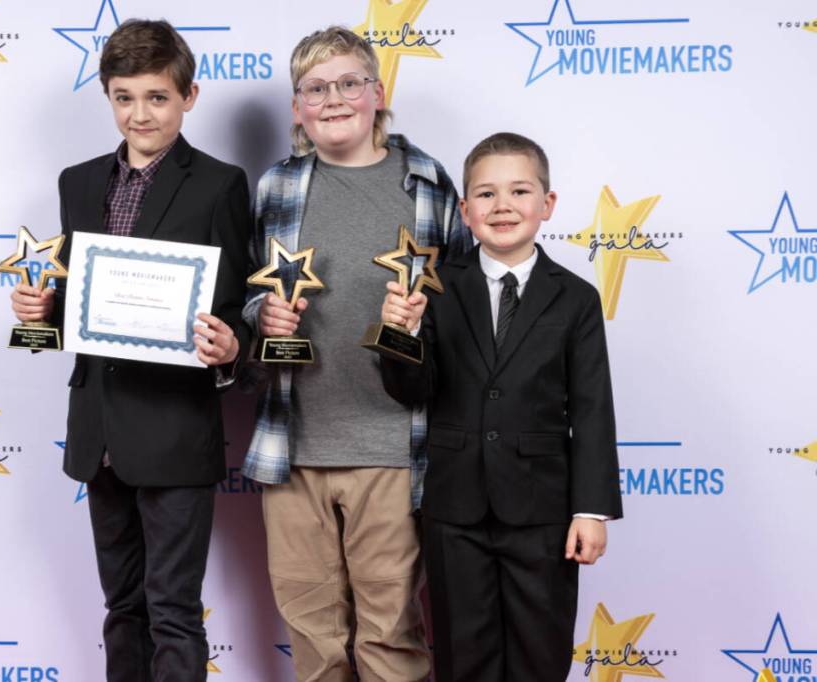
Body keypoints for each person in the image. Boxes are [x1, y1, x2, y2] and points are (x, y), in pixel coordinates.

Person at [10, 19, 250, 682]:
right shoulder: (78, 182)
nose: (139, 113)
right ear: (107, 96)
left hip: (174, 427)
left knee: (172, 609)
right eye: (124, 97)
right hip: (99, 431)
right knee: (122, 609)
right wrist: (42, 314)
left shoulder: (220, 184)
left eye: (156, 97)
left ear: (189, 96)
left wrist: (231, 346)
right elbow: (84, 311)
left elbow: (236, 309)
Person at [240, 25, 470, 681]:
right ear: (297, 107)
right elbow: (247, 299)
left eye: (348, 83)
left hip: (395, 449)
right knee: (313, 643)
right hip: (295, 448)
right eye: (315, 87)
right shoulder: (276, 187)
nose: (333, 99)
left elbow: (461, 309)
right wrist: (264, 315)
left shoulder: (426, 181)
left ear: (378, 92)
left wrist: (424, 326)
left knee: (390, 638)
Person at [379, 132, 623, 681]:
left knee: (541, 652)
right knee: (464, 655)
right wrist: (402, 335)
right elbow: (410, 391)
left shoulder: (576, 297)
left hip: (543, 512)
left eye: (519, 191)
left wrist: (591, 508)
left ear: (547, 204)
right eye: (486, 195)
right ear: (465, 211)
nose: (503, 206)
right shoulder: (435, 286)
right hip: (454, 510)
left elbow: (592, 409)